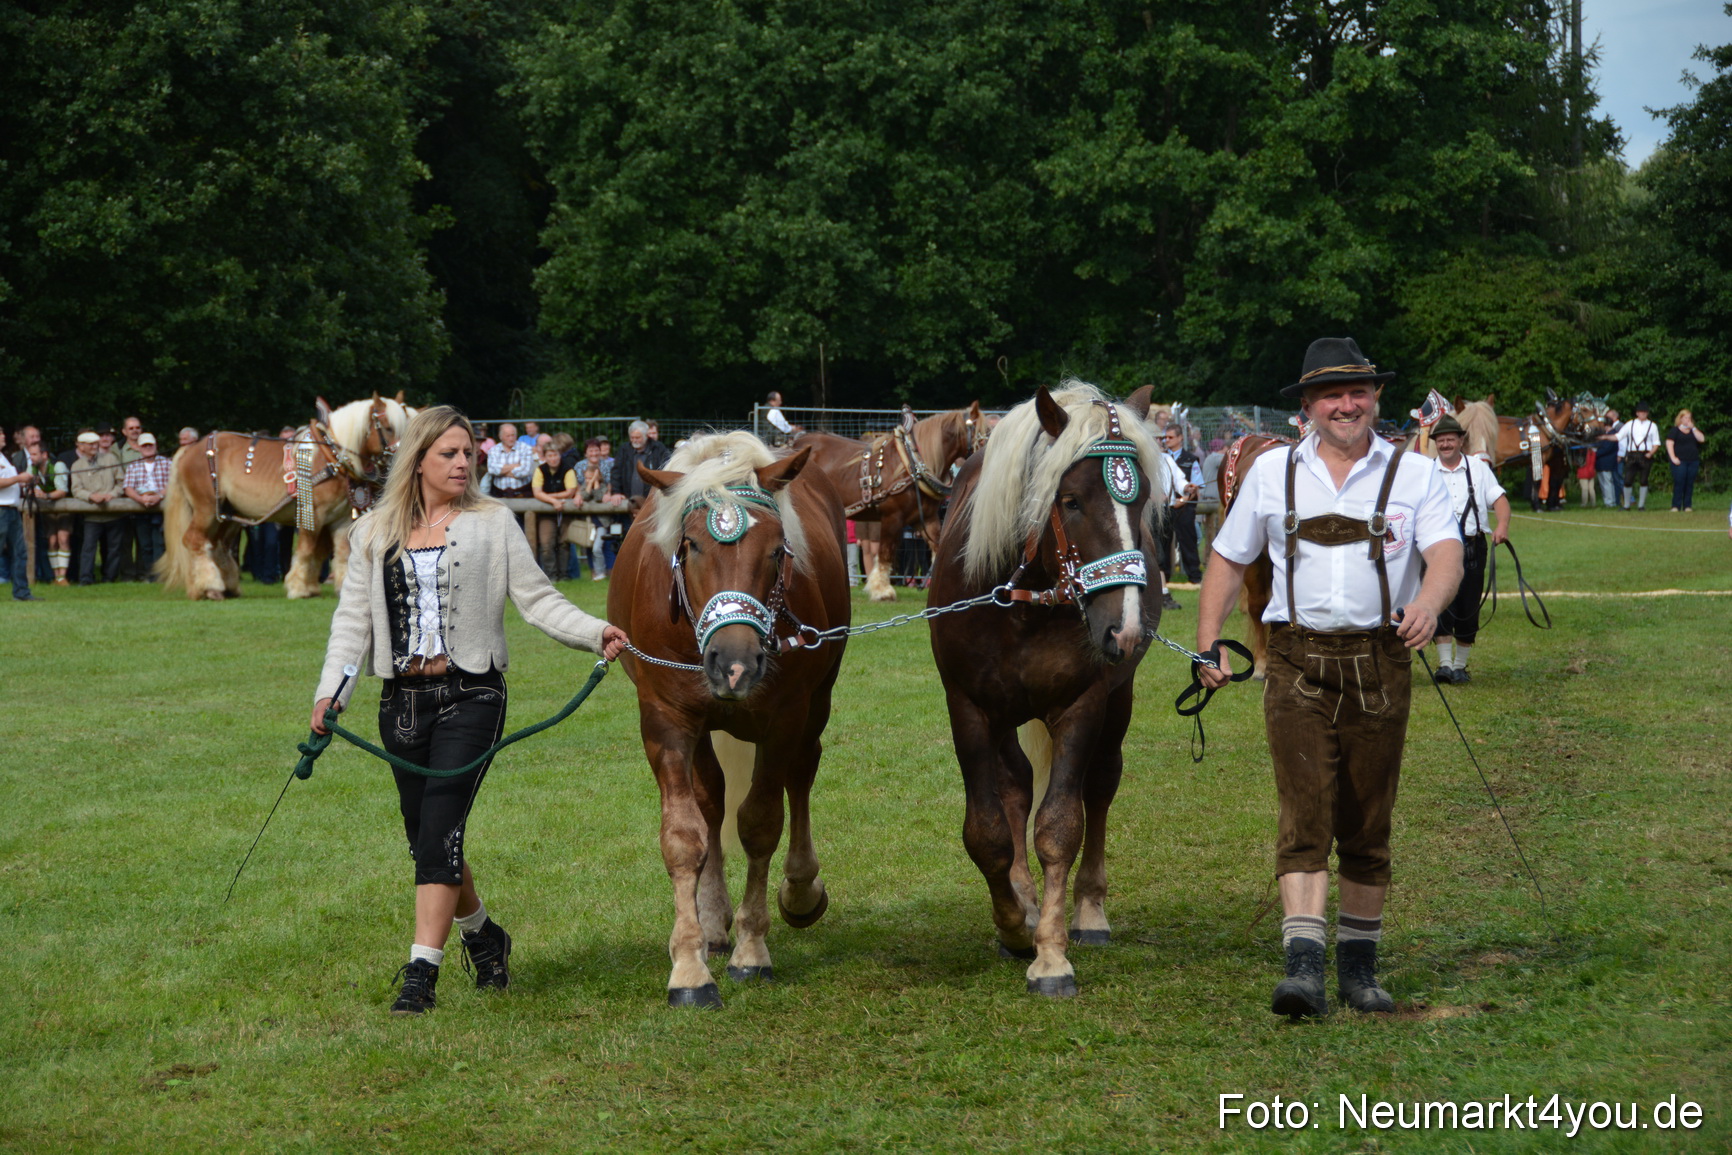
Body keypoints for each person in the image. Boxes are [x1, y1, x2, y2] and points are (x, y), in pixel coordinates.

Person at [310, 406, 628, 1016]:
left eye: (468, 454)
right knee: (428, 838)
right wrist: (330, 695)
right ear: (418, 459)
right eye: (448, 454)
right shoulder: (372, 531)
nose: (462, 463)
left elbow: (538, 600)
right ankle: (483, 938)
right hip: (400, 704)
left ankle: (419, 977)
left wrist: (595, 632)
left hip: (473, 697)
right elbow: (351, 626)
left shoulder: (493, 523)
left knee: (439, 830)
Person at [1196, 337, 1462, 1019]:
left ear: (1375, 398)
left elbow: (1446, 554)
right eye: (1332, 394)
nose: (1348, 404)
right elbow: (1227, 561)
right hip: (1295, 662)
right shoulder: (1271, 473)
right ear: (1308, 406)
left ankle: (1360, 968)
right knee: (1304, 810)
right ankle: (1304, 969)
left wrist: (1429, 605)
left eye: (1359, 391)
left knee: (1367, 820)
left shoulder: (1415, 474)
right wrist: (1209, 644)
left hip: (1381, 661)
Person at [1428, 416, 1509, 684]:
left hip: (1473, 547)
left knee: (1468, 605)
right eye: (1441, 440)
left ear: (1461, 440)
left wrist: (1502, 527)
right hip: (1438, 549)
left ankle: (1460, 667)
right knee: (1440, 603)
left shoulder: (1478, 468)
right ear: (1436, 444)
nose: (1446, 444)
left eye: (1451, 439)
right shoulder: (1426, 472)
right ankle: (1444, 665)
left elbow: (1499, 500)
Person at [70, 431, 126, 584]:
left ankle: (110, 577)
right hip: (92, 515)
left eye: (96, 443)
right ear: (81, 446)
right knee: (88, 548)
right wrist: (90, 496)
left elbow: (121, 482)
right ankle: (86, 578)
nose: (94, 446)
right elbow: (76, 489)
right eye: (90, 444)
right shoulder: (76, 465)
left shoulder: (111, 459)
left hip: (113, 512)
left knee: (114, 548)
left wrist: (111, 495)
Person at [1158, 423, 1204, 601]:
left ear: (1179, 438)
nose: (1166, 441)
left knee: (1188, 540)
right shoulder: (1162, 457)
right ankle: (1165, 578)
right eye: (1164, 438)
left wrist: (1183, 499)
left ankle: (1194, 576)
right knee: (1163, 543)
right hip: (1167, 507)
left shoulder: (1190, 459)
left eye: (1170, 437)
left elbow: (1195, 485)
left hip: (1185, 507)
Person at [123, 433, 172, 578]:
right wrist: (140, 499)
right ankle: (149, 574)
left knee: (160, 543)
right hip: (141, 508)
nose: (148, 448)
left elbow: (173, 483)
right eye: (145, 445)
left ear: (156, 446)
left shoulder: (167, 463)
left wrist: (159, 496)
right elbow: (128, 487)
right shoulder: (133, 466)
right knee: (145, 545)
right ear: (139, 448)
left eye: (150, 445)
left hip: (161, 508)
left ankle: (159, 574)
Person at [25, 436, 72, 584]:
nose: (31, 458)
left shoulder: (58, 466)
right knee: (51, 540)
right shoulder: (31, 468)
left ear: (44, 454)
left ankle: (62, 577)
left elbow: (62, 491)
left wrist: (45, 495)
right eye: (30, 454)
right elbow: (28, 486)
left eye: (34, 454)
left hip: (63, 505)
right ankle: (56, 575)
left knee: (63, 538)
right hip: (47, 508)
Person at [529, 442, 578, 579]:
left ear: (559, 455)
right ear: (545, 457)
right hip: (546, 512)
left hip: (565, 511)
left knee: (564, 542)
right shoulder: (540, 470)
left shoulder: (568, 469)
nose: (553, 458)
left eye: (555, 455)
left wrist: (548, 496)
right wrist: (554, 501)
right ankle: (550, 575)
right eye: (549, 455)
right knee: (546, 544)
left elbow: (570, 492)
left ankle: (564, 574)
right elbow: (536, 492)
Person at [0, 439, 41, 601]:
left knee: (20, 552)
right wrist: (18, 478)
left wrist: (25, 482)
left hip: (12, 510)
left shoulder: (4, 458)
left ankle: (21, 592)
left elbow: (10, 483)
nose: (3, 436)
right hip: (1, 510)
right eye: (0, 433)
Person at [1618, 402, 1660, 510]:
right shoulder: (1630, 424)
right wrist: (1605, 436)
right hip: (1632, 454)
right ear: (1637, 413)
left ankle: (1641, 505)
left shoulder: (1652, 425)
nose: (1643, 414)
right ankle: (1626, 505)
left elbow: (1656, 442)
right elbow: (1619, 436)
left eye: (1645, 412)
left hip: (1645, 454)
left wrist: (1651, 453)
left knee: (1643, 480)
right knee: (1628, 480)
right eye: (1641, 412)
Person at [1665, 410, 1705, 513]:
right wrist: (1673, 458)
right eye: (1686, 417)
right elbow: (1669, 444)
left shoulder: (1692, 431)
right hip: (1679, 461)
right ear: (1681, 418)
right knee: (1679, 482)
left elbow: (1701, 439)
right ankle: (1676, 506)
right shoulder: (1675, 430)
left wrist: (1694, 428)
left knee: (1689, 483)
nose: (1688, 420)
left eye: (1689, 418)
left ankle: (1687, 506)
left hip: (1693, 460)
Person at [485, 422, 534, 504]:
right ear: (500, 437)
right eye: (508, 436)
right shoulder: (493, 450)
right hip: (499, 494)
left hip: (523, 494)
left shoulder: (526, 448)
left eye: (513, 435)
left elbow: (525, 472)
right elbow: (491, 470)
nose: (511, 438)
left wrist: (501, 471)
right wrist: (515, 466)